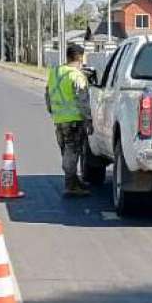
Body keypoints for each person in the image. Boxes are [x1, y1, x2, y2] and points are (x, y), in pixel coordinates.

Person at [45, 43, 93, 197]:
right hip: (74, 121)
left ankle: (74, 180)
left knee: (66, 152)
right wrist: (88, 120)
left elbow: (48, 93)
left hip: (59, 120)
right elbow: (83, 101)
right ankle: (71, 185)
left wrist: (51, 110)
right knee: (72, 153)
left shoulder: (55, 72)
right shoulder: (77, 76)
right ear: (80, 57)